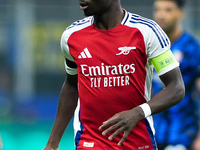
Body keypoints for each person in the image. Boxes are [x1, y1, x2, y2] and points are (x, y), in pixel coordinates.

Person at [43, 0, 185, 149]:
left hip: (138, 141)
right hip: (90, 140)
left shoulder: (146, 31)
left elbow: (176, 87)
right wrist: (52, 143)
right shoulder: (71, 36)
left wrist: (138, 112)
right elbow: (72, 86)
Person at [152, 0, 200, 149]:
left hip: (181, 135)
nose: (161, 15)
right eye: (158, 10)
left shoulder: (192, 48)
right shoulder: (149, 47)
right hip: (152, 133)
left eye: (168, 10)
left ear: (180, 13)